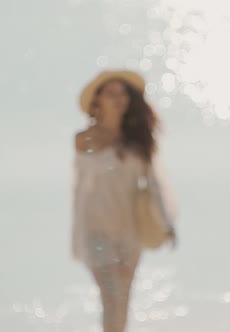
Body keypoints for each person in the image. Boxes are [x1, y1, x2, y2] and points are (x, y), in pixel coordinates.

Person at [71, 69, 178, 332]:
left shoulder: (139, 141)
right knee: (111, 297)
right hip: (96, 230)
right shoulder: (84, 139)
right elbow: (81, 188)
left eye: (123, 93)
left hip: (129, 231)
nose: (118, 99)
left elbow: (154, 184)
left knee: (123, 299)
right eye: (111, 93)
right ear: (97, 101)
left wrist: (166, 224)